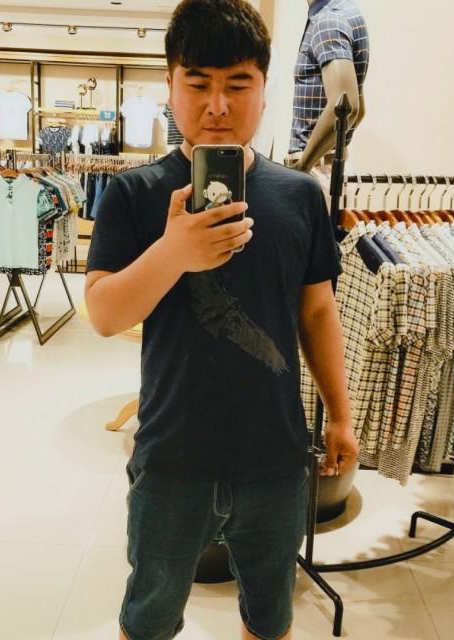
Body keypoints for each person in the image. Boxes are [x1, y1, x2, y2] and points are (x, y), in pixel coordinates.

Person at [85, 1, 358, 638]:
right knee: (148, 617)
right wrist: (174, 252)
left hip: (276, 457)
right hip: (172, 457)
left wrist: (340, 415)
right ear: (170, 86)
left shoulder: (300, 195)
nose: (217, 105)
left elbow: (317, 311)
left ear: (264, 89)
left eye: (238, 84)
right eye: (198, 83)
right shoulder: (134, 193)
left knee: (270, 616)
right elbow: (104, 313)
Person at [286, 0, 369, 175]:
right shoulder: (342, 11)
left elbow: (346, 107)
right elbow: (357, 109)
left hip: (317, 170)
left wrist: (304, 165)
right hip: (325, 167)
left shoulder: (328, 21)